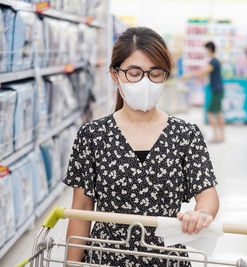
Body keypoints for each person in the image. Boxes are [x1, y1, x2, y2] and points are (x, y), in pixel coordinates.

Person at [64, 27, 219, 266]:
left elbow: (207, 193)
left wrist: (202, 214)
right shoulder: (92, 136)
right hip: (106, 259)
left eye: (155, 73)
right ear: (115, 75)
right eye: (134, 73)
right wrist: (71, 264)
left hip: (166, 259)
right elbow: (81, 210)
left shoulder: (186, 135)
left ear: (165, 76)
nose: (145, 82)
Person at [183, 41, 225, 143]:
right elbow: (204, 74)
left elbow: (203, 72)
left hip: (217, 90)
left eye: (205, 49)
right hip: (218, 90)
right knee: (218, 113)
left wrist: (188, 75)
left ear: (209, 49)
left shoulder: (213, 62)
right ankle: (222, 136)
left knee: (210, 112)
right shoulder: (214, 61)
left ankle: (217, 136)